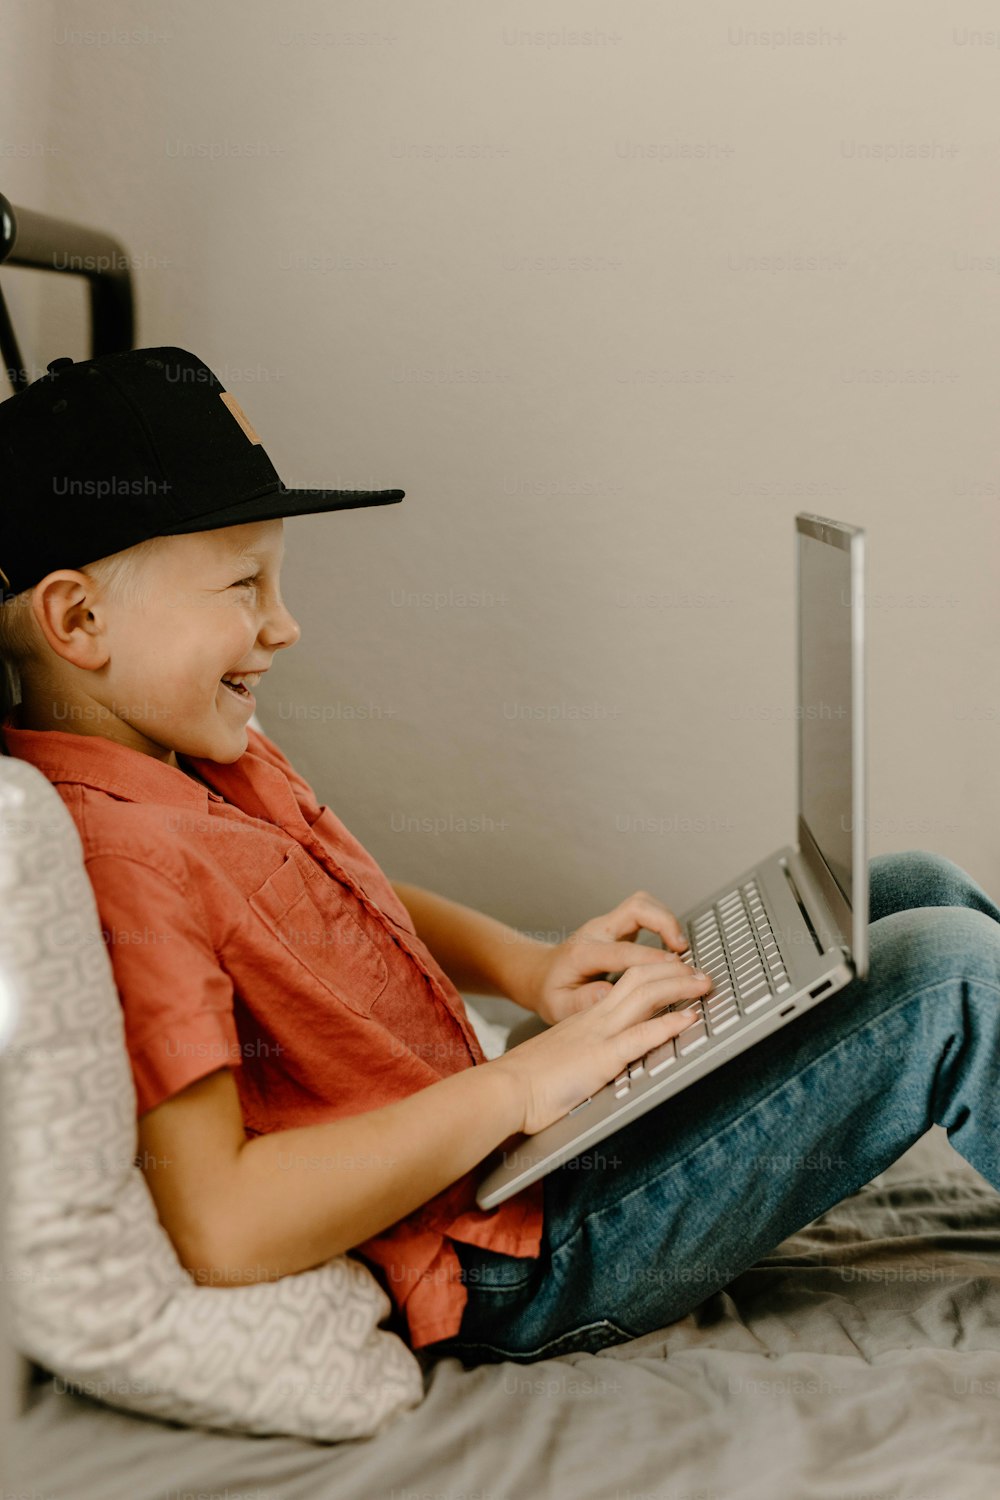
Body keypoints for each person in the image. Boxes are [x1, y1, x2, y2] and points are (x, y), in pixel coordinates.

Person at [1, 349, 998, 1373]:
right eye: (245, 584)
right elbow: (223, 1224)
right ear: (80, 619)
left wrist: (527, 967)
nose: (286, 625)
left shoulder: (197, 753)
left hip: (510, 1149)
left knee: (909, 886)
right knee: (949, 973)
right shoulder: (121, 859)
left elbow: (345, 902)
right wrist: (520, 1089)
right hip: (515, 1254)